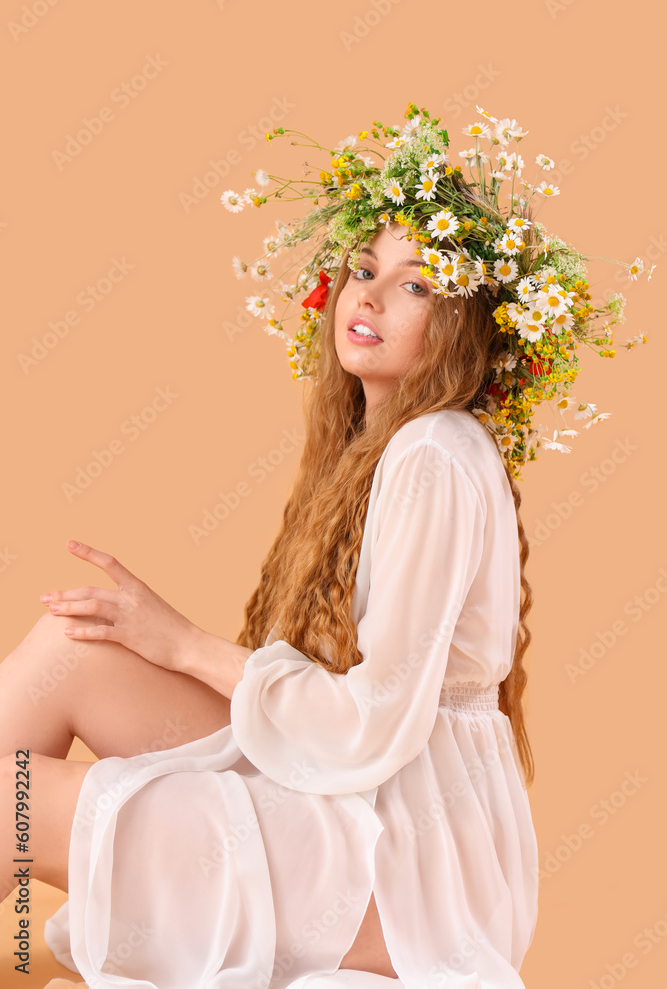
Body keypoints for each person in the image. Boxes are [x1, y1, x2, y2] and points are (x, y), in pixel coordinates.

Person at [0, 101, 650, 989]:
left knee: (15, 804)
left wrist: (183, 643)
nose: (370, 298)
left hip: (407, 875)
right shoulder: (377, 449)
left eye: (416, 285)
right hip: (373, 817)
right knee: (69, 647)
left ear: (464, 326)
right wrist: (161, 641)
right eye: (362, 270)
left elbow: (374, 722)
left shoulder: (433, 452)